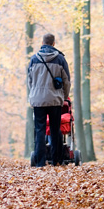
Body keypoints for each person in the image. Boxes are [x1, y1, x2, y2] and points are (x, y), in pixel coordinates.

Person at [28, 33, 71, 167]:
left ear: (42, 43)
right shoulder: (60, 59)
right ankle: (57, 160)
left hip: (38, 100)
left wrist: (33, 94)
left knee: (40, 130)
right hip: (55, 100)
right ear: (53, 44)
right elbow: (67, 81)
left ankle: (40, 162)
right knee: (55, 129)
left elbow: (29, 80)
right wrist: (64, 97)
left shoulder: (34, 59)